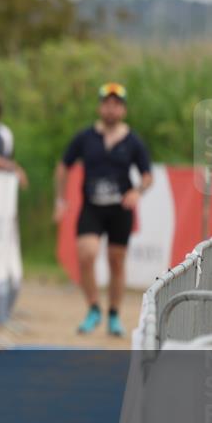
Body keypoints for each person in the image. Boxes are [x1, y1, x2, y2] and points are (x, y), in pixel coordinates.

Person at [54, 82, 152, 337]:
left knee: (116, 261)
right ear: (100, 108)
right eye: (107, 104)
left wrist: (136, 192)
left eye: (116, 105)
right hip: (92, 208)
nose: (111, 109)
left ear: (123, 110)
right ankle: (93, 308)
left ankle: (114, 314)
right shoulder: (85, 137)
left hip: (120, 209)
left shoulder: (133, 141)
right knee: (86, 253)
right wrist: (60, 200)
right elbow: (63, 167)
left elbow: (147, 175)